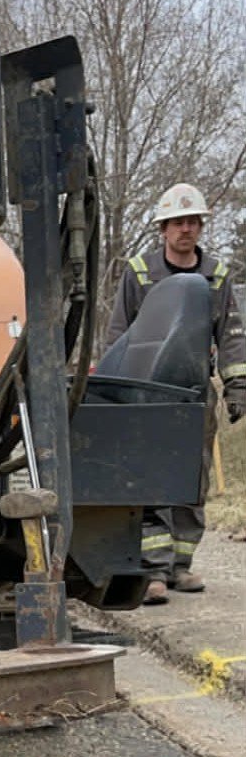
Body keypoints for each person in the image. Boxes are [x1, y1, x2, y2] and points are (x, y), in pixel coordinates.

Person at [105, 182, 246, 603]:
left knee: (191, 478)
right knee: (148, 478)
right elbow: (118, 333)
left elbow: (233, 336)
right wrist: (116, 391)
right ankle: (153, 570)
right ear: (163, 228)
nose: (186, 229)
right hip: (148, 395)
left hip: (194, 394)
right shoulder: (140, 272)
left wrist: (237, 385)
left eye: (193, 222)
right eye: (178, 222)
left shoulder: (217, 276)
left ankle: (181, 565)